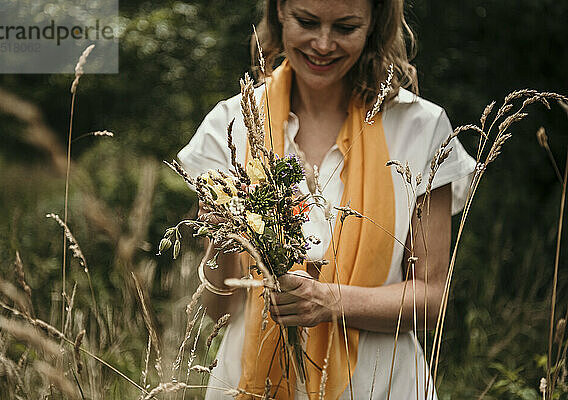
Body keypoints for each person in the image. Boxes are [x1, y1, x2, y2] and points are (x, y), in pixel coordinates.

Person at [177, 0, 476, 398]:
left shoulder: (421, 129)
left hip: (381, 385)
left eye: (345, 27)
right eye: (307, 21)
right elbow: (220, 311)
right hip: (250, 384)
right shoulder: (228, 126)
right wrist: (218, 237)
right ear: (279, 10)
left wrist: (328, 300)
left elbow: (433, 300)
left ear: (374, 23)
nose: (322, 44)